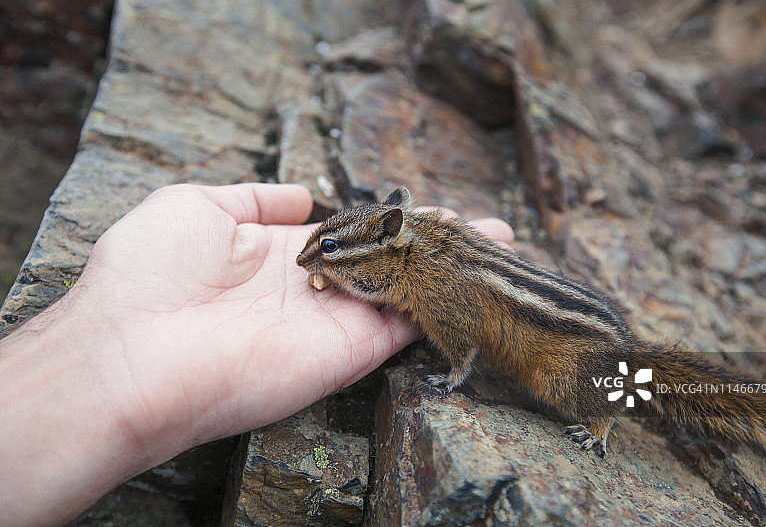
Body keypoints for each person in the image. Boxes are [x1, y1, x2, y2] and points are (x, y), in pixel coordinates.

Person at [0, 183, 514, 526]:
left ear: (388, 236)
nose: (310, 260)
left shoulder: (402, 271)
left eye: (330, 250)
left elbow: (377, 284)